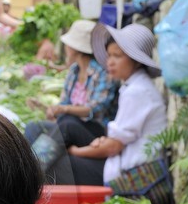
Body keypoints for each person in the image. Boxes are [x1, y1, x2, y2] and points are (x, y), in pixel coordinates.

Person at [66, 22, 167, 185]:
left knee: (64, 164)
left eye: (117, 56)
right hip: (121, 164)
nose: (110, 62)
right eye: (109, 55)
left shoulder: (137, 91)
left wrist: (75, 151)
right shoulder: (133, 86)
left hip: (132, 175)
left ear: (136, 60)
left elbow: (113, 147)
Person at [23, 18, 119, 184]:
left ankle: (31, 174)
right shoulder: (74, 71)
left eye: (68, 44)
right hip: (70, 127)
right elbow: (65, 102)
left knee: (67, 122)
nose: (66, 47)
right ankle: (27, 165)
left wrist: (64, 110)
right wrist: (51, 109)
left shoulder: (103, 73)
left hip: (95, 132)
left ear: (77, 49)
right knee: (34, 127)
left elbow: (95, 109)